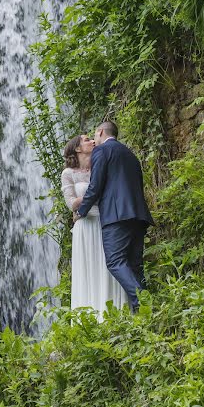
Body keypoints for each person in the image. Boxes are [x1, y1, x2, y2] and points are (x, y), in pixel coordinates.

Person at [75, 121, 154, 312]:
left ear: (100, 131)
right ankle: (142, 315)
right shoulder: (130, 154)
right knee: (135, 265)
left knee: (115, 261)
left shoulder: (102, 151)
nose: (94, 140)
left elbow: (95, 186)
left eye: (94, 135)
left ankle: (143, 303)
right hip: (138, 215)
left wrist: (81, 211)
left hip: (116, 216)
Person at [61, 134, 128, 317]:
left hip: (104, 221)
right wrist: (95, 191)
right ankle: (90, 315)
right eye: (86, 139)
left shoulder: (99, 166)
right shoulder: (68, 173)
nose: (92, 141)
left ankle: (113, 313)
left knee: (107, 265)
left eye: (92, 138)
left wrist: (90, 195)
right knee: (88, 270)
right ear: (77, 148)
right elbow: (71, 203)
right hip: (84, 225)